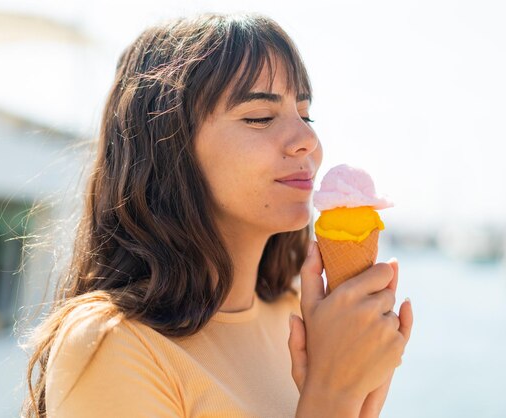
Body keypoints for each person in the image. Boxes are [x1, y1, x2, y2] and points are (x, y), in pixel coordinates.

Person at [21, 12, 413, 418]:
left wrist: (357, 385)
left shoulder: (301, 315)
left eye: (305, 114)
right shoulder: (110, 344)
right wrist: (333, 394)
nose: (308, 140)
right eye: (259, 117)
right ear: (167, 146)